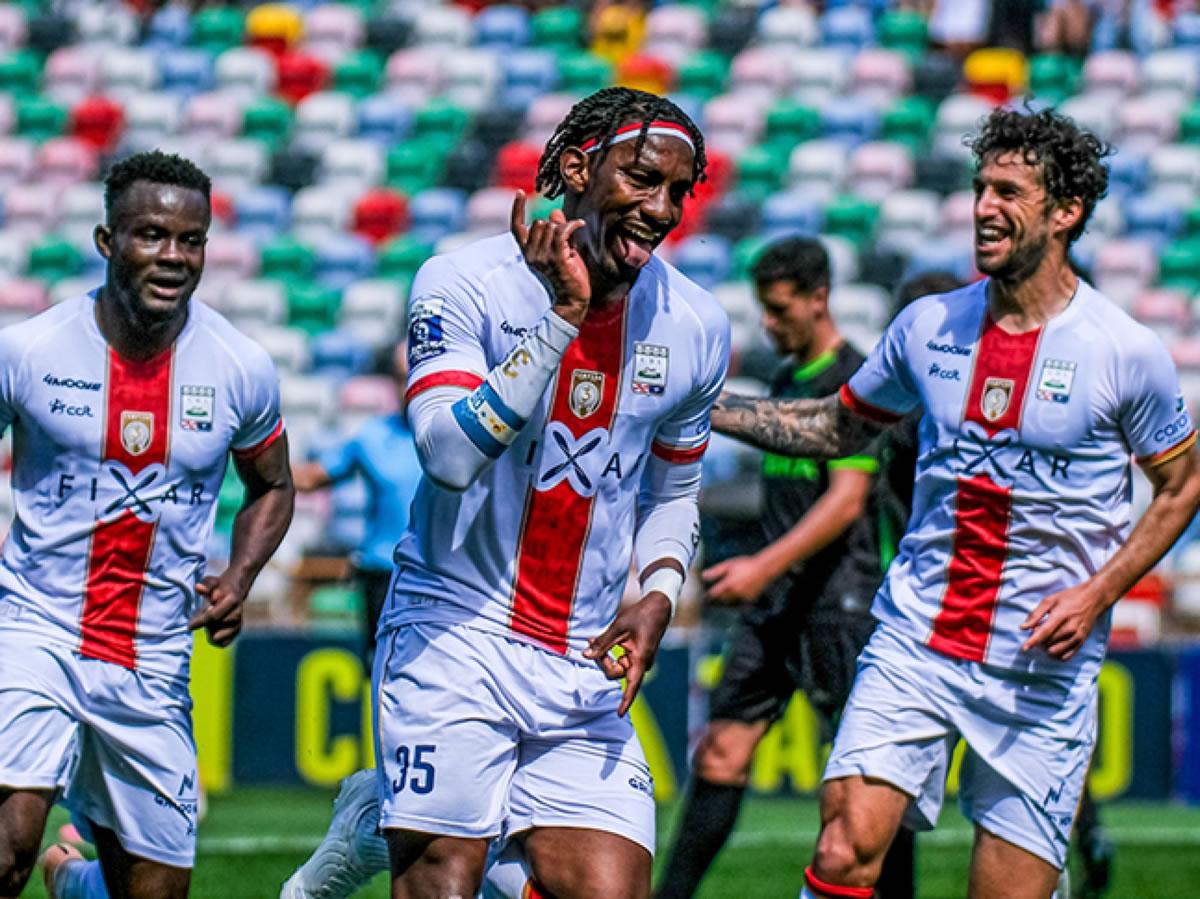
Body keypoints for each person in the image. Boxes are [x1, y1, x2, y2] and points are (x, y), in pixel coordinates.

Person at [710, 106, 1200, 899]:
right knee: (841, 851)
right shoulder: (927, 325)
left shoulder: (1125, 350)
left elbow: (1183, 486)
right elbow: (838, 424)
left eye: (1008, 191)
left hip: (1040, 667)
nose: (982, 206)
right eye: (979, 187)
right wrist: (710, 408)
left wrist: (1100, 591)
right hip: (917, 639)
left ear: (1065, 211)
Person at [282, 86, 729, 899]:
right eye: (640, 179)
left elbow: (676, 484)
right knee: (443, 882)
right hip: (457, 627)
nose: (661, 208)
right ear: (572, 167)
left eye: (677, 191)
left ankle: (388, 814)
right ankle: (413, 824)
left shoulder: (695, 324)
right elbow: (449, 454)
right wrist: (563, 318)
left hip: (584, 654)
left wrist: (660, 590)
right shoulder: (465, 282)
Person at [0, 150, 294, 899]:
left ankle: (76, 885)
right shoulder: (30, 350)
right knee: (5, 847)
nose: (172, 256)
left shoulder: (239, 365)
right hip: (37, 626)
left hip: (154, 651)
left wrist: (240, 575)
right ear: (107, 241)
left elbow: (272, 485)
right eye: (150, 235)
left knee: (155, 891)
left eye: (189, 240)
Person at [656, 237, 915, 899]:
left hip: (841, 601)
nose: (769, 324)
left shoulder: (853, 380)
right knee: (720, 749)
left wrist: (757, 566)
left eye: (779, 309)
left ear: (818, 296)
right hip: (776, 604)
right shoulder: (783, 381)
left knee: (868, 780)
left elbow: (845, 499)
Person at [292, 344, 422, 670]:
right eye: (400, 377)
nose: (408, 385)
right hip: (382, 571)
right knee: (381, 670)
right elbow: (312, 478)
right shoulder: (372, 436)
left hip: (438, 573)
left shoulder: (458, 435)